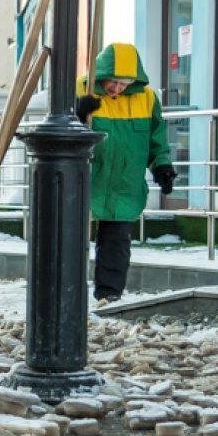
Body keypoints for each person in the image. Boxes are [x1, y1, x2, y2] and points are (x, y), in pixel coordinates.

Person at [75, 42, 177, 306]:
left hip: (125, 185)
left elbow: (157, 138)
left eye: (124, 83)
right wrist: (77, 113)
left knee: (117, 244)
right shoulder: (80, 89)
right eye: (114, 81)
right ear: (103, 73)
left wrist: (162, 165)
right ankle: (69, 291)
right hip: (88, 181)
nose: (117, 88)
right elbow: (59, 130)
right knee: (72, 241)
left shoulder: (148, 98)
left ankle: (109, 295)